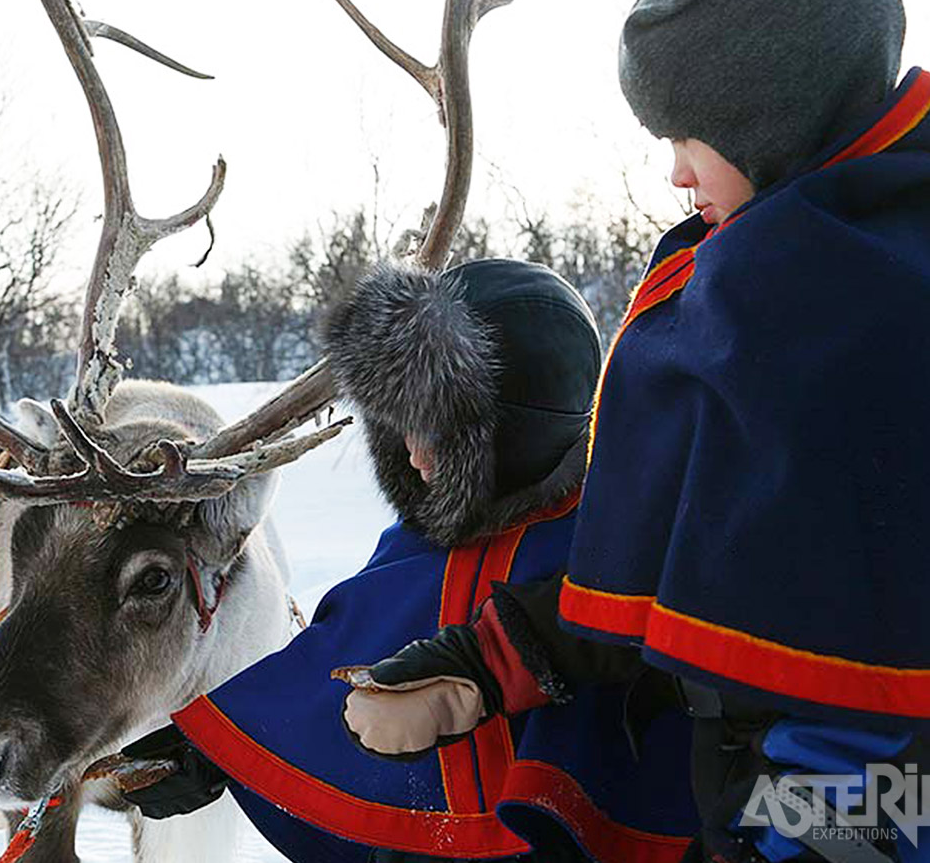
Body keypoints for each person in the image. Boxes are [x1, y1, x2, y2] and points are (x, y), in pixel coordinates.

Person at [343, 0, 930, 861]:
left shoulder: (869, 307)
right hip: (768, 791)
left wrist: (833, 836)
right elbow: (724, 556)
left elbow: (879, 652)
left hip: (898, 802)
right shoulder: (806, 274)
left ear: (771, 116)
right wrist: (498, 658)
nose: (676, 169)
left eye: (692, 133)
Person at [118, 258, 699, 862]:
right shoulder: (424, 540)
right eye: (401, 431)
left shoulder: (617, 543)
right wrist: (215, 750)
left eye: (440, 435)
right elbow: (340, 659)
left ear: (516, 430)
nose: (416, 460)